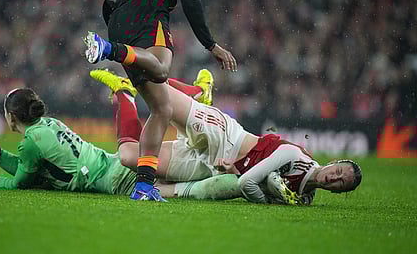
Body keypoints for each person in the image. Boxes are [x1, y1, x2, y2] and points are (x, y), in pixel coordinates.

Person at [85, 0, 237, 201]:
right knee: (162, 70)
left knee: (162, 108)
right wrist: (211, 44)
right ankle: (108, 50)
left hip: (118, 18)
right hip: (149, 16)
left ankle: (143, 188)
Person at [90, 69, 363, 205]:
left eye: (341, 183)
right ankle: (198, 93)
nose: (335, 178)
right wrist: (260, 194)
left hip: (213, 164)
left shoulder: (304, 198)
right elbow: (247, 182)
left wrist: (239, 173)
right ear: (334, 162)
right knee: (153, 87)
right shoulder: (296, 156)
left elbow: (246, 177)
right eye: (339, 171)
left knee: (130, 158)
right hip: (224, 136)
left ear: (339, 192)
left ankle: (123, 92)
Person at [0, 87, 240, 201]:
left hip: (117, 181)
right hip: (112, 165)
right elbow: (29, 168)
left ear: (11, 116)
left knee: (193, 190)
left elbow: (22, 181)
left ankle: (246, 181)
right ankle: (198, 100)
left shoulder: (31, 142)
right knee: (199, 167)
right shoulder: (49, 124)